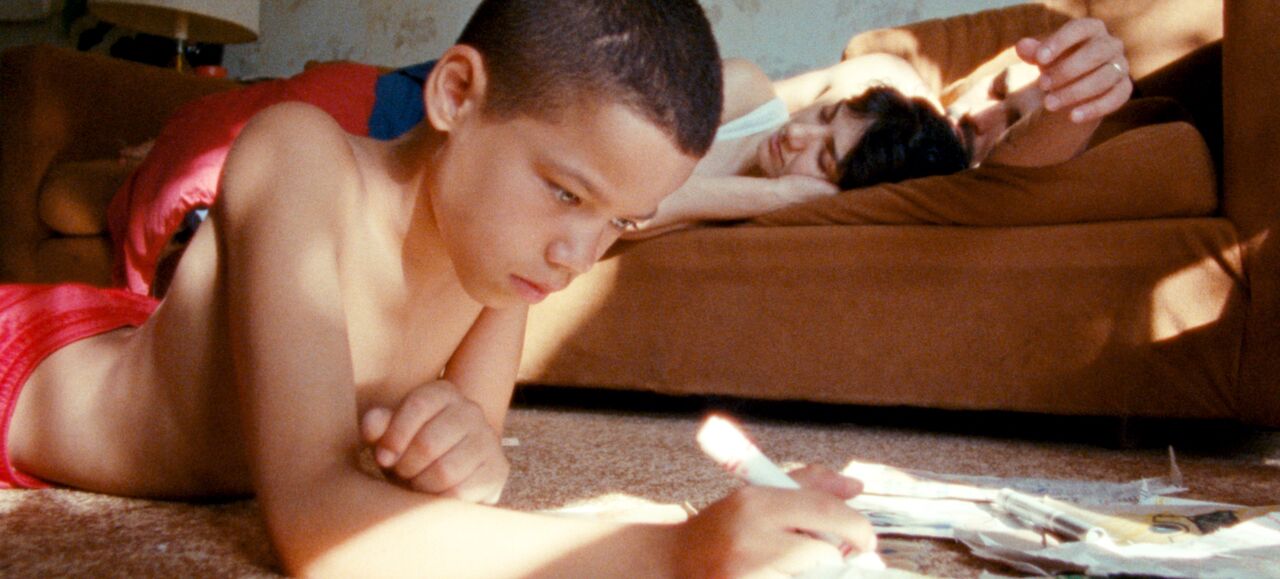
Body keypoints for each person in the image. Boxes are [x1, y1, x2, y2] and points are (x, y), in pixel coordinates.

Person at [0, 1, 877, 577]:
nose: (578, 254)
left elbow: (448, 485)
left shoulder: (502, 269)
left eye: (620, 220)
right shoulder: (298, 155)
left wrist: (468, 460)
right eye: (565, 192)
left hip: (140, 337)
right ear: (456, 93)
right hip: (32, 360)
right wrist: (674, 551)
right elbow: (319, 524)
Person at [625, 16, 1134, 239]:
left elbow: (1017, 172)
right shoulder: (886, 84)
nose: (981, 116)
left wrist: (1078, 106)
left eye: (1011, 123)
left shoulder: (931, 188)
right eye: (998, 91)